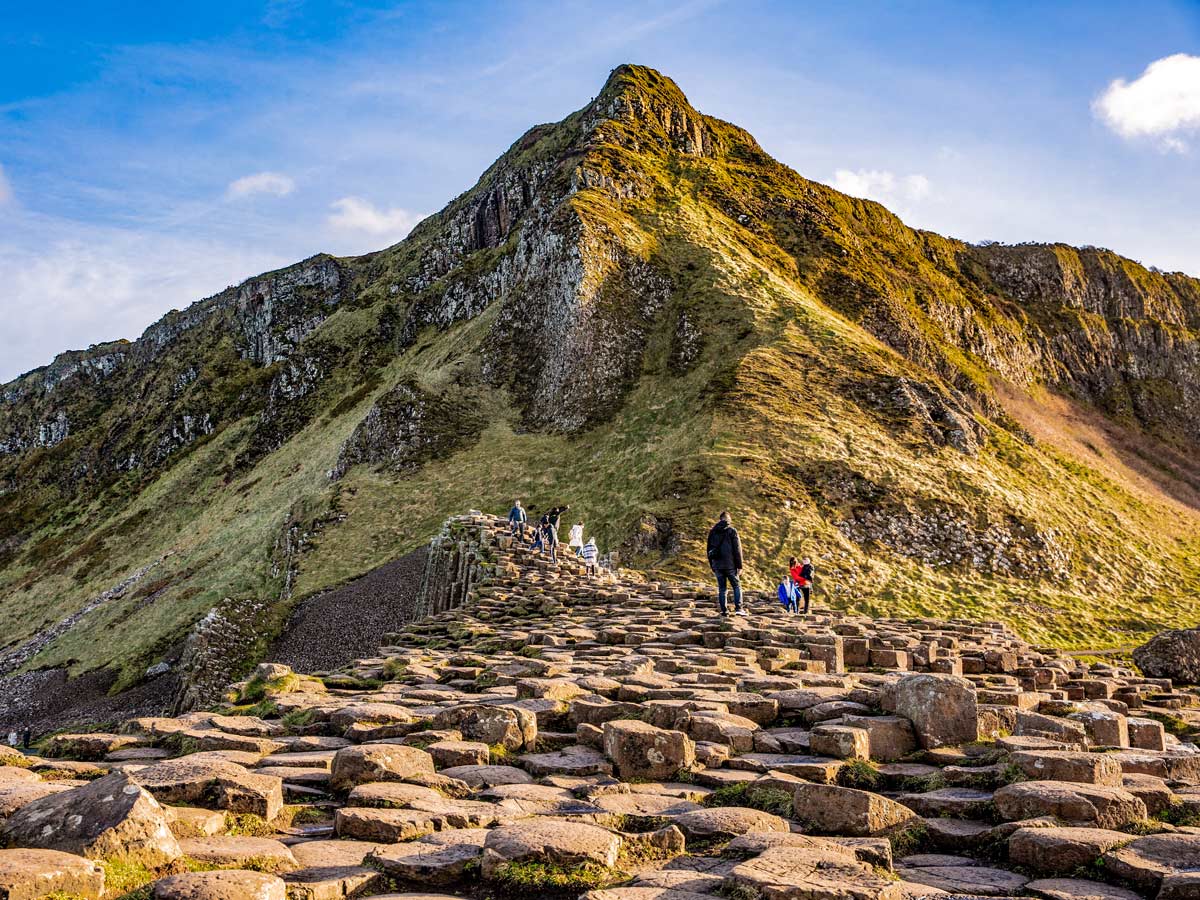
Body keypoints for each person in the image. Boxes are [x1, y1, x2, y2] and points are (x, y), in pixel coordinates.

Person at [706, 510, 745, 616]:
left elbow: (708, 549)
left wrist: (712, 565)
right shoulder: (732, 531)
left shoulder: (712, 532)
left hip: (717, 565)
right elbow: (737, 549)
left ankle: (724, 611)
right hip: (730, 565)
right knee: (736, 586)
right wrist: (739, 566)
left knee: (722, 589)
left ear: (720, 519)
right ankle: (739, 609)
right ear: (728, 519)